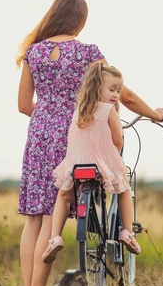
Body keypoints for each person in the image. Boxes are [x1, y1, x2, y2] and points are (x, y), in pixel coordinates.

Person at [17, 0, 163, 286]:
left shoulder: (34, 52)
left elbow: (22, 106)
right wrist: (154, 113)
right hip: (76, 133)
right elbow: (122, 94)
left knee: (34, 218)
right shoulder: (88, 53)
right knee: (48, 219)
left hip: (38, 135)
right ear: (80, 21)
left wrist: (48, 115)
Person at [42, 63, 139, 265]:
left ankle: (54, 238)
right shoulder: (108, 110)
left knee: (64, 195)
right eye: (112, 89)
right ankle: (127, 232)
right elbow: (118, 140)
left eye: (119, 91)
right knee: (123, 189)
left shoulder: (79, 110)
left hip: (76, 163)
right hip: (102, 162)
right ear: (97, 87)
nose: (116, 95)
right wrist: (115, 156)